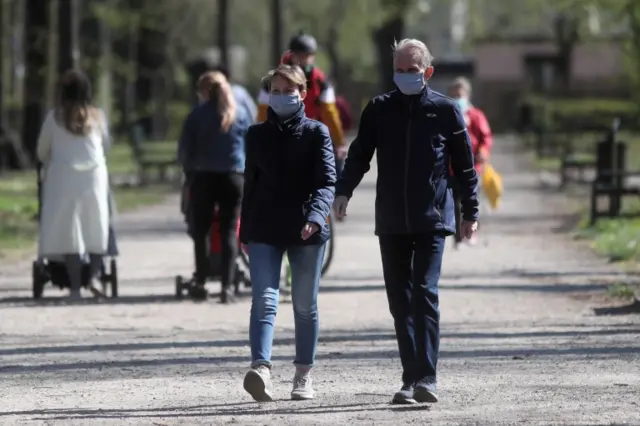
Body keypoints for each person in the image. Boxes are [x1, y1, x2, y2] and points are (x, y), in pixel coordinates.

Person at [333, 39, 479, 404]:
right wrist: (343, 191)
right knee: (401, 300)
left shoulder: (445, 111)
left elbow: (464, 165)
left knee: (424, 294)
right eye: (398, 70)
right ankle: (410, 377)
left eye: (411, 71)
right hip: (392, 219)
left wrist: (470, 212)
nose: (404, 76)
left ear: (427, 72)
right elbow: (360, 155)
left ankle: (426, 377)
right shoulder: (379, 110)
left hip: (432, 217)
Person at [240, 64, 336, 402]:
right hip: (264, 227)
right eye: (275, 91)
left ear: (302, 93)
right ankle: (261, 369)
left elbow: (326, 182)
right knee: (264, 300)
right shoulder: (255, 135)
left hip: (306, 229)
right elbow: (249, 186)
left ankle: (303, 375)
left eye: (288, 91)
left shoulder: (316, 133)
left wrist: (315, 215)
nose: (281, 97)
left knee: (304, 306)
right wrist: (244, 230)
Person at [36, 69, 111, 300]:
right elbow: (106, 146)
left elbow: (41, 151)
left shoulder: (54, 118)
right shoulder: (97, 117)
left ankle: (76, 286)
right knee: (95, 224)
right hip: (93, 176)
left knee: (70, 230)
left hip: (63, 177)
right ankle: (95, 275)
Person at [177, 71, 250, 303]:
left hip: (204, 177)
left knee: (202, 231)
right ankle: (227, 286)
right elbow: (252, 144)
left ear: (205, 92)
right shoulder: (239, 113)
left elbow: (185, 151)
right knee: (229, 230)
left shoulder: (197, 115)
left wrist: (188, 172)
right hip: (233, 177)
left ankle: (200, 280)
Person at [256, 32, 346, 175]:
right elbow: (262, 112)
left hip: (309, 133)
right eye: (300, 55)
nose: (304, 60)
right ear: (292, 55)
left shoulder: (320, 81)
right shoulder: (272, 81)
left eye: (307, 56)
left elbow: (329, 113)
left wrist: (339, 142)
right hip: (279, 135)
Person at [448, 77, 493, 248]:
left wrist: (483, 151)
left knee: (472, 201)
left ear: (467, 94)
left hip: (473, 166)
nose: (458, 95)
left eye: (461, 92)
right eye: (455, 92)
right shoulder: (447, 114)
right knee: (454, 203)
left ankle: (471, 232)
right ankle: (457, 237)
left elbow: (485, 137)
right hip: (451, 168)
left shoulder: (476, 115)